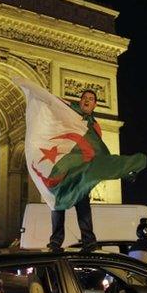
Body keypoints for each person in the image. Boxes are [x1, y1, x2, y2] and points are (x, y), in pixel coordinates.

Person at [47, 90, 101, 253]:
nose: (87, 101)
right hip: (65, 167)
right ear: (80, 101)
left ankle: (89, 241)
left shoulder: (95, 125)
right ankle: (56, 241)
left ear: (95, 104)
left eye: (91, 99)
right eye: (84, 98)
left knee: (83, 205)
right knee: (58, 204)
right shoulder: (71, 115)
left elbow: (98, 148)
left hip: (81, 171)